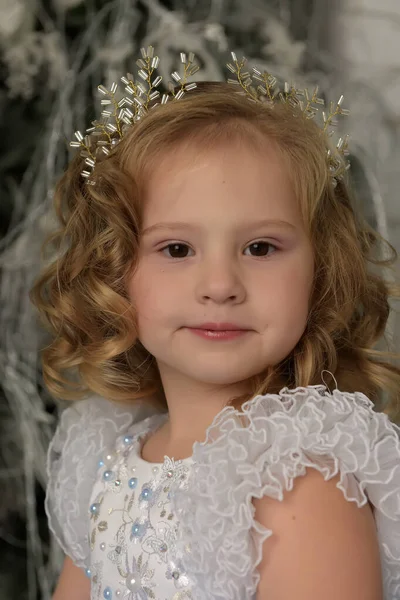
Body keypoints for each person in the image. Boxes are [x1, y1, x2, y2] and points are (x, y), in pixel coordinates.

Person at [30, 48, 400, 600]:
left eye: (260, 246)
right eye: (177, 248)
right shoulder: (105, 459)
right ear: (114, 268)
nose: (221, 283)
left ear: (320, 268)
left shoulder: (296, 484)